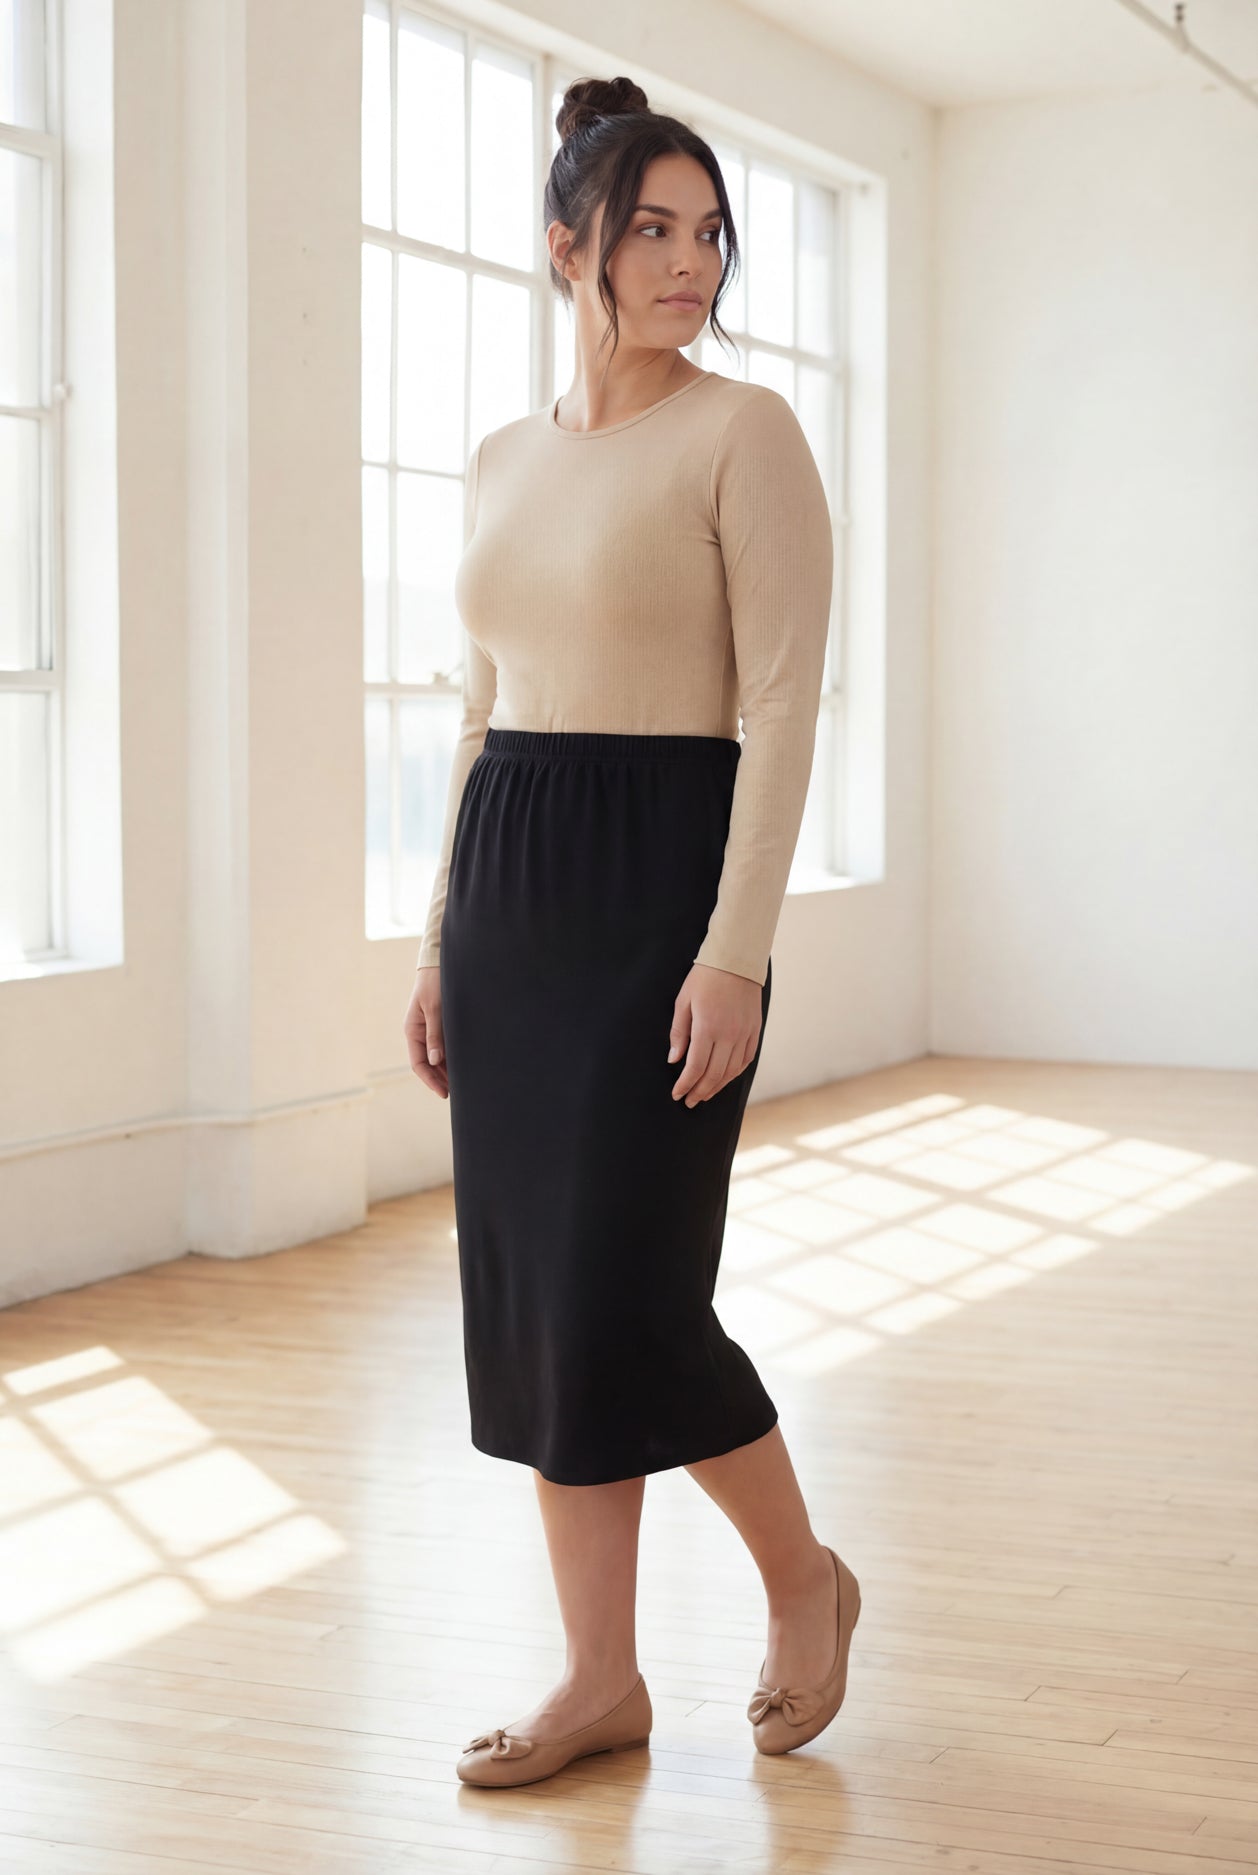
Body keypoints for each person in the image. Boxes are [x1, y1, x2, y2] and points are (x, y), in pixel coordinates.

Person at [402, 74, 860, 1789]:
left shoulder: (745, 435)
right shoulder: (503, 458)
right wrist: (437, 938)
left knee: (637, 1300)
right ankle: (600, 1678)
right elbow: (476, 705)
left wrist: (733, 947)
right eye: (652, 230)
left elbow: (782, 700)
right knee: (539, 1311)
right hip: (512, 891)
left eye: (709, 232)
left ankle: (802, 1581)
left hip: (663, 886)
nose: (691, 262)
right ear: (564, 249)